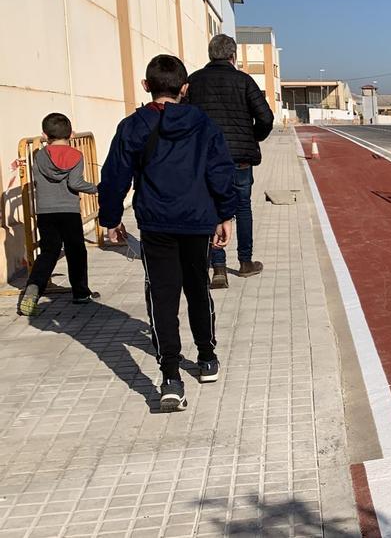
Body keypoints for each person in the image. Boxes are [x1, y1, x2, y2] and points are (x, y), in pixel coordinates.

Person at [99, 54, 238, 412]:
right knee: (197, 288)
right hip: (197, 221)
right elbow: (220, 170)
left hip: (156, 223)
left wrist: (111, 218)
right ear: (185, 88)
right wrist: (226, 214)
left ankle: (170, 377)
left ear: (147, 86)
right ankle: (207, 357)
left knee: (162, 297)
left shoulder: (133, 125)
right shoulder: (203, 124)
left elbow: (115, 175)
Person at [185, 34, 274, 289]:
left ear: (210, 54)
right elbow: (266, 117)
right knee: (242, 208)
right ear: (233, 56)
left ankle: (218, 268)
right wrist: (252, 137)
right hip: (239, 160)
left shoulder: (194, 81)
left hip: (206, 160)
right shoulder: (244, 81)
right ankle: (245, 262)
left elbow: (185, 119)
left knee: (212, 209)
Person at [16, 113, 99, 316]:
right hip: (69, 211)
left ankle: (33, 289)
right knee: (76, 250)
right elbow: (75, 183)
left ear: (44, 135)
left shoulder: (39, 156)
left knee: (48, 252)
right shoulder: (76, 155)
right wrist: (96, 188)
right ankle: (80, 292)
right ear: (71, 134)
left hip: (46, 211)